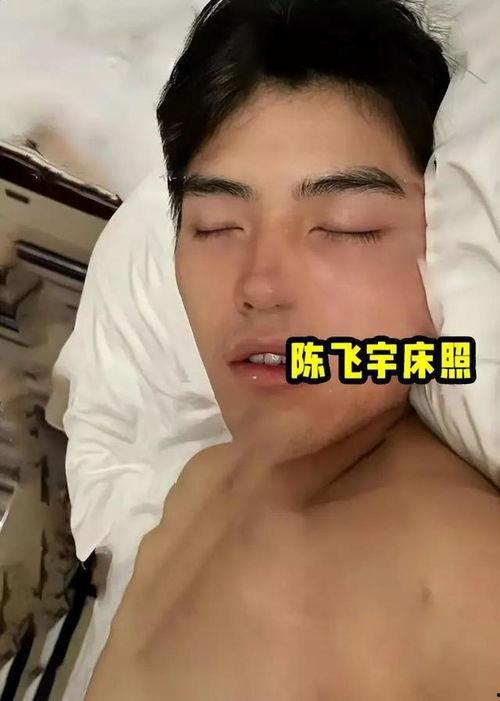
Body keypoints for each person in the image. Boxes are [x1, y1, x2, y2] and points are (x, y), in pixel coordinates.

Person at [84, 0, 500, 698]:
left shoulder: (462, 585)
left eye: (344, 226)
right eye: (215, 226)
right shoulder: (200, 482)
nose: (259, 285)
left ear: (440, 242)